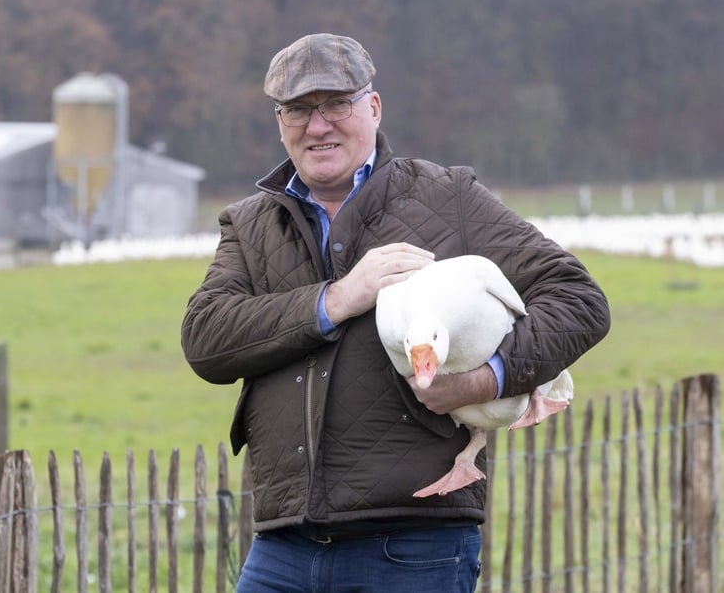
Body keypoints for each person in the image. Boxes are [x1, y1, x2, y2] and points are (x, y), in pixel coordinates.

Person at [181, 33, 610, 592]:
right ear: (279, 121)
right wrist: (336, 299)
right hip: (283, 546)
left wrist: (484, 379)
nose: (318, 126)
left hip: (413, 546)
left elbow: (579, 298)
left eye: (337, 104)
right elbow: (207, 340)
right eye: (299, 110)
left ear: (374, 108)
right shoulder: (251, 224)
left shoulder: (448, 198)